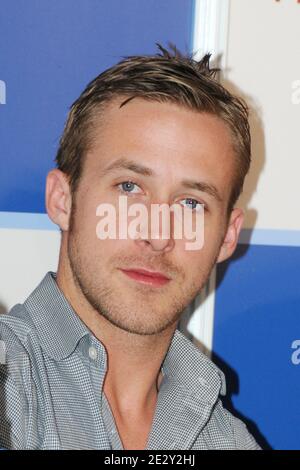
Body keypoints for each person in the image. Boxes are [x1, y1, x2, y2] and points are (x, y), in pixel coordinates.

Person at [0, 44, 260, 450]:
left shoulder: (229, 441)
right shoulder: (9, 382)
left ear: (227, 236)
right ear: (62, 200)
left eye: (191, 203)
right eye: (129, 188)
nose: (158, 235)